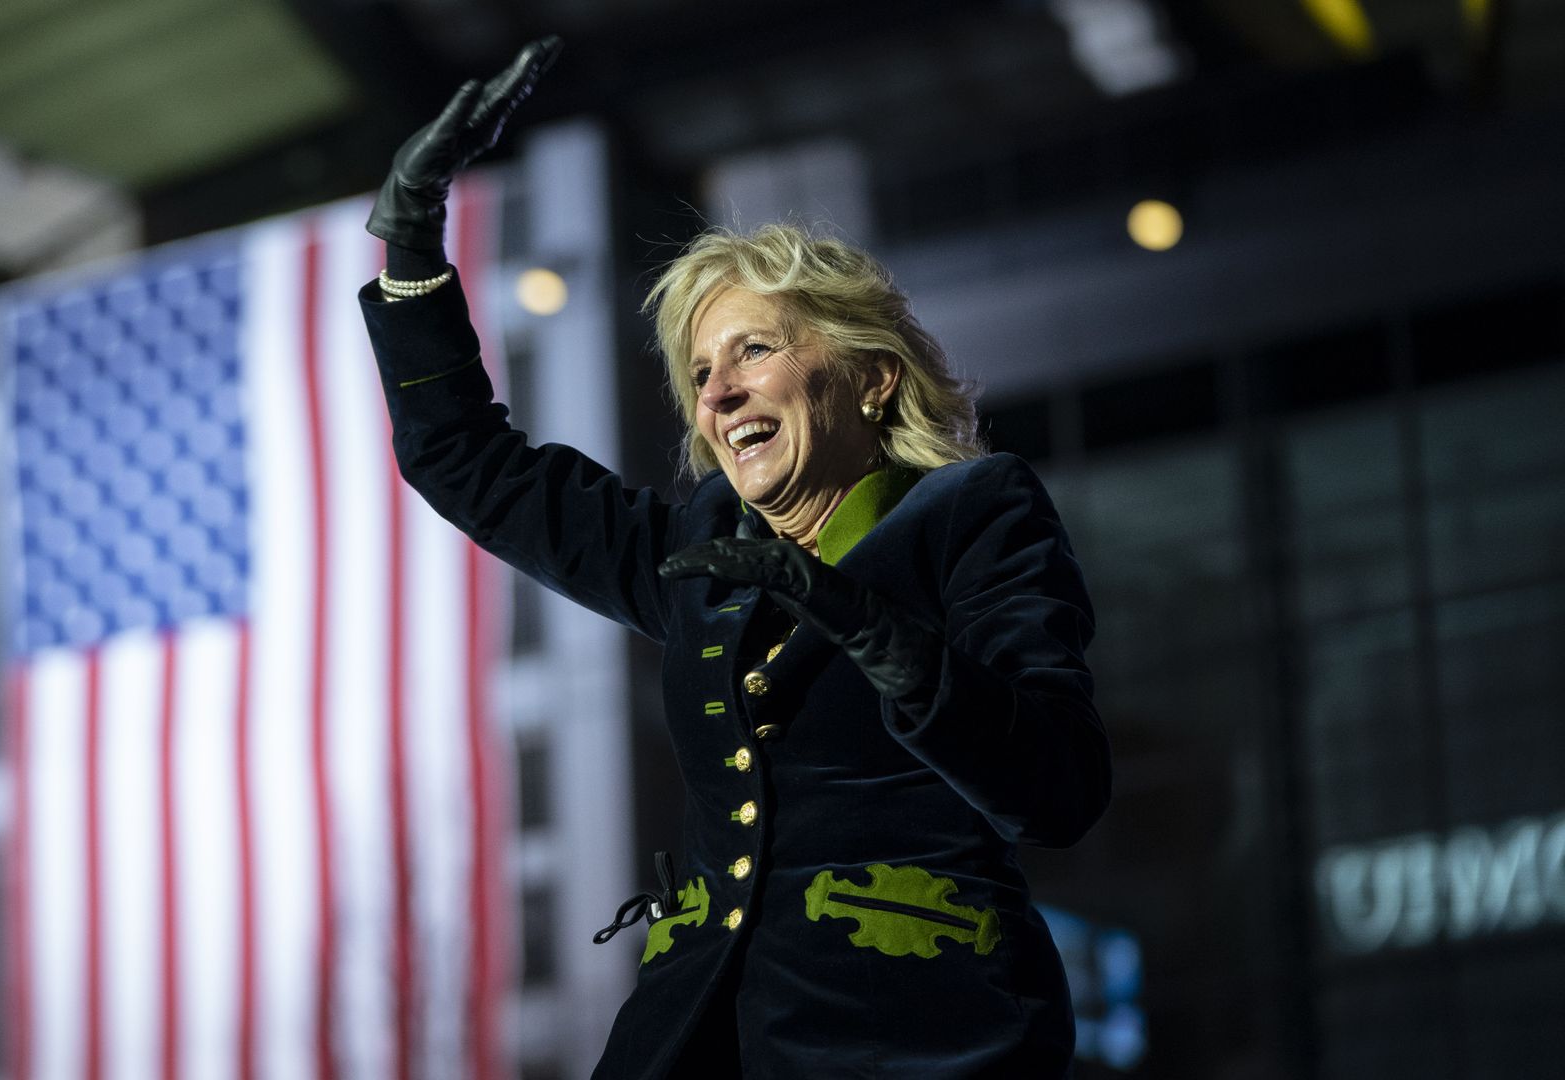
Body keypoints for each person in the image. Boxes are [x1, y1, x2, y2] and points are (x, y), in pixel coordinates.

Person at [358, 37, 1111, 1079]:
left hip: (915, 1037)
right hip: (699, 1034)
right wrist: (409, 248)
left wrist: (878, 635)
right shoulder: (701, 563)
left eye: (754, 349)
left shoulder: (976, 513)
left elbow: (1059, 790)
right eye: (701, 371)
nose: (716, 393)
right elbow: (467, 459)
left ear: (872, 380)